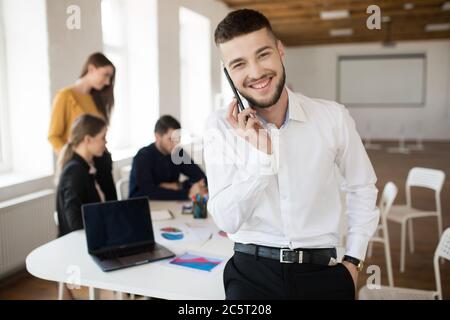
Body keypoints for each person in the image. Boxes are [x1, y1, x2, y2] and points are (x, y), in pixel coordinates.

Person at [204, 9, 380, 300]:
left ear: (280, 50)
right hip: (251, 274)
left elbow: (362, 186)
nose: (256, 72)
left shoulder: (332, 117)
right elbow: (226, 220)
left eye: (263, 54)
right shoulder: (220, 127)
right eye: (239, 64)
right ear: (227, 72)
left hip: (323, 272)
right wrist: (263, 159)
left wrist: (354, 262)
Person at [48, 52, 117, 201]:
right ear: (91, 69)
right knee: (86, 214)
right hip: (81, 166)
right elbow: (54, 136)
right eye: (105, 75)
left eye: (110, 77)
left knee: (112, 206)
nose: (107, 82)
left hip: (102, 162)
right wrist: (72, 159)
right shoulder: (65, 96)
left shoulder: (96, 99)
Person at [129, 115, 207, 201]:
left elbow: (201, 178)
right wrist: (187, 193)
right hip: (145, 206)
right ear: (157, 137)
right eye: (170, 139)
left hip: (169, 203)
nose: (175, 144)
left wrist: (178, 185)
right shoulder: (143, 156)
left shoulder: (177, 153)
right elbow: (148, 192)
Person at [55, 114, 108, 237]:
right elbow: (75, 223)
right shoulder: (75, 171)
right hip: (79, 245)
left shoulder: (83, 166)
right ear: (88, 139)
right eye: (103, 137)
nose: (105, 142)